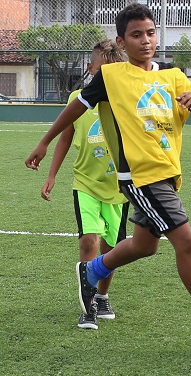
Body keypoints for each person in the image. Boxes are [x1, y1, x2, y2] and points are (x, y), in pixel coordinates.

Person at [25, 3, 191, 342]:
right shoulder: (112, 77)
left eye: (151, 33)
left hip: (168, 174)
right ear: (122, 41)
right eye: (136, 35)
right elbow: (75, 108)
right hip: (141, 177)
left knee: (145, 246)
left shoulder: (173, 76)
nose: (146, 40)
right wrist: (44, 142)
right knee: (186, 242)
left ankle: (92, 271)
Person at [41, 39, 128, 329]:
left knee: (112, 248)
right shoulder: (78, 99)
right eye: (95, 65)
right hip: (85, 183)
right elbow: (65, 137)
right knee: (89, 239)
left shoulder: (126, 100)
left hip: (119, 188)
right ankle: (88, 305)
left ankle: (102, 296)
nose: (95, 69)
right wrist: (52, 175)